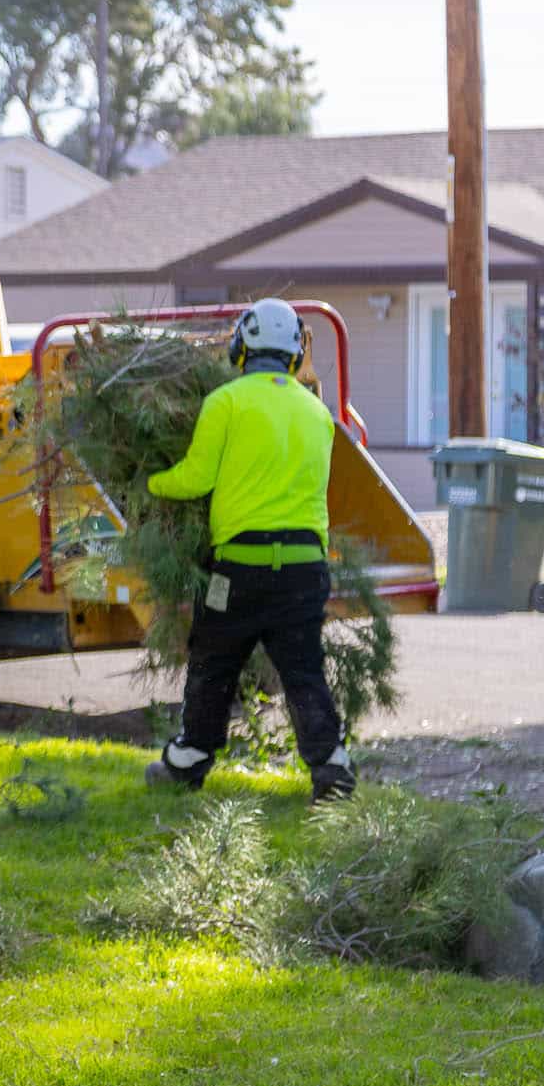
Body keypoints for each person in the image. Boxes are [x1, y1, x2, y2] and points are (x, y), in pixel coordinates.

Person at [142, 297, 358, 803]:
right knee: (303, 671)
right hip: (305, 569)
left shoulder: (226, 401)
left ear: (242, 348)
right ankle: (332, 768)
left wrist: (150, 483)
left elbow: (196, 478)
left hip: (238, 570)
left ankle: (188, 761)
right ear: (294, 353)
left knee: (213, 664)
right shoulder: (317, 413)